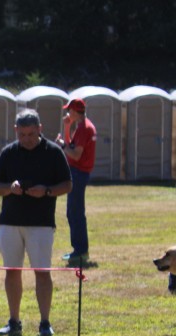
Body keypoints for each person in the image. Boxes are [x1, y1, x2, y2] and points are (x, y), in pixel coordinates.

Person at [0, 109, 72, 336]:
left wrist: (46, 191)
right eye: (22, 134)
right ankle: (14, 321)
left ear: (40, 129)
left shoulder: (53, 152)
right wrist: (10, 188)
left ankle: (45, 323)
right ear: (16, 131)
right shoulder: (8, 153)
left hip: (41, 224)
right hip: (10, 223)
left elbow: (67, 184)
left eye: (31, 134)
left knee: (42, 272)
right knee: (12, 272)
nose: (26, 139)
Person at [56, 98, 96, 267]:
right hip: (77, 172)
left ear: (74, 111)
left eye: (69, 110)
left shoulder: (84, 128)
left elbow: (75, 155)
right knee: (73, 211)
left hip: (78, 173)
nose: (67, 113)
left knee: (75, 212)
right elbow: (71, 146)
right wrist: (67, 128)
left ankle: (80, 251)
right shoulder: (81, 127)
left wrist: (61, 146)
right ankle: (78, 249)